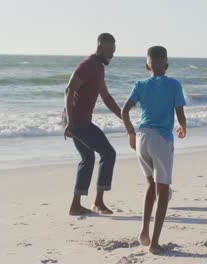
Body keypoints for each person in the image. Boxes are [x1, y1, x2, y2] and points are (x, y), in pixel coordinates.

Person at [121, 46, 187, 254]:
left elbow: (124, 111)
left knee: (150, 186)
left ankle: (144, 231)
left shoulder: (140, 84)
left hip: (142, 138)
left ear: (146, 66)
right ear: (166, 65)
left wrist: (130, 132)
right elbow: (180, 114)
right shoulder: (174, 84)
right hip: (161, 140)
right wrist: (182, 127)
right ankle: (155, 242)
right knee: (163, 190)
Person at [63, 33, 122, 215]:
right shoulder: (87, 65)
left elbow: (106, 97)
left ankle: (76, 205)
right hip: (77, 120)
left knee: (88, 158)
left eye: (113, 51)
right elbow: (69, 89)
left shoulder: (99, 68)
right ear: (100, 46)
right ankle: (98, 202)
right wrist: (70, 122)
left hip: (79, 120)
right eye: (109, 51)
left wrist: (123, 116)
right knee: (108, 153)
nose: (111, 55)